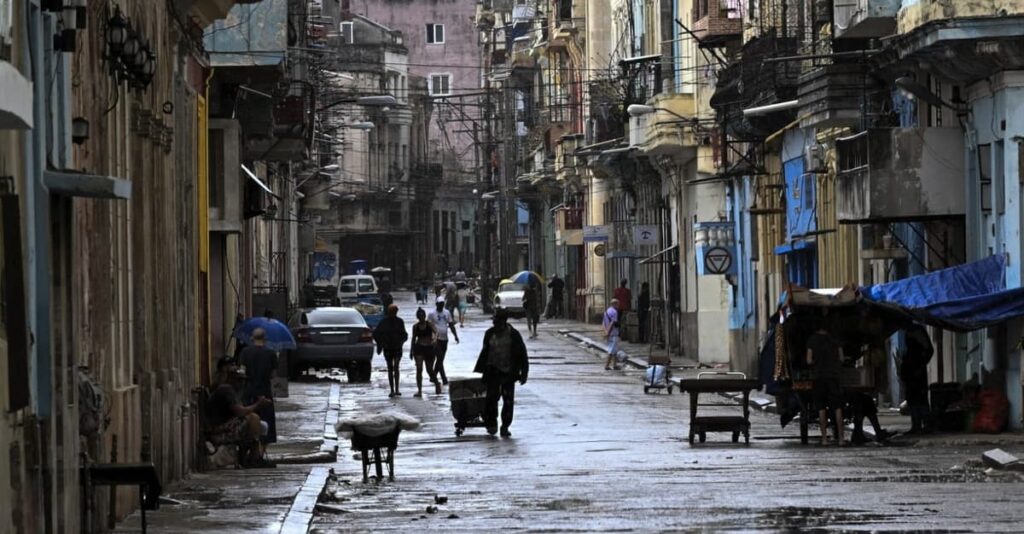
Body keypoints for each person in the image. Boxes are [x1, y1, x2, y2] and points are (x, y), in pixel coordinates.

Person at [208, 357, 274, 467]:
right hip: (219, 430)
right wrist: (258, 404)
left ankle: (251, 455)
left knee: (258, 422)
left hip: (224, 424)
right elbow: (240, 412)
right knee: (253, 418)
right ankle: (253, 458)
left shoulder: (231, 390)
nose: (242, 383)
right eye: (240, 380)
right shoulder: (226, 389)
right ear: (232, 379)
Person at [474, 308, 529, 437]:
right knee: (491, 399)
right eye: (494, 322)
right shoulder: (489, 334)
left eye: (498, 322)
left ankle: (505, 426)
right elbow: (485, 352)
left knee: (508, 401)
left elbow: (522, 354)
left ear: (504, 321)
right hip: (493, 371)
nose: (495, 325)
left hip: (508, 372)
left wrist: (524, 373)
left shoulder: (513, 335)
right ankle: (492, 422)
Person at [806, 317, 845, 446]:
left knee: (821, 408)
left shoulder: (812, 340)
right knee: (838, 407)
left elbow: (808, 360)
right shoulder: (835, 339)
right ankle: (841, 439)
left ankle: (824, 439)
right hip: (834, 377)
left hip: (819, 377)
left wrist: (816, 361)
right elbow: (841, 358)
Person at [238, 328, 278, 444]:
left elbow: (242, 371)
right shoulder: (271, 353)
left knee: (250, 419)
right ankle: (262, 447)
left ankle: (251, 444)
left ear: (252, 338)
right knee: (266, 419)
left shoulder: (245, 352)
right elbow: (273, 375)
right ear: (265, 339)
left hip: (249, 390)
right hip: (264, 390)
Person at [901, 324, 933, 434]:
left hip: (917, 371)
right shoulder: (909, 331)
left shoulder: (917, 331)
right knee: (912, 398)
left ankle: (926, 425)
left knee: (920, 398)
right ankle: (916, 425)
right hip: (910, 370)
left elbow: (929, 350)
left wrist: (921, 365)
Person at [373, 304, 408, 398]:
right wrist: (381, 344)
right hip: (388, 348)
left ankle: (397, 389)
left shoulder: (399, 322)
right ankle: (392, 389)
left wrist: (401, 342)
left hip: (397, 347)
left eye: (395, 312)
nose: (393, 313)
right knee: (390, 368)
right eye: (392, 312)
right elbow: (376, 334)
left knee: (396, 367)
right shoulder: (383, 322)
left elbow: (404, 335)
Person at [428, 298, 460, 389]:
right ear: (436, 304)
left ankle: (433, 375)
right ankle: (444, 379)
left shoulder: (447, 313)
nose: (441, 305)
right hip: (436, 339)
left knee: (440, 359)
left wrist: (455, 335)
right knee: (440, 358)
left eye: (442, 303)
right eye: (439, 304)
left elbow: (451, 325)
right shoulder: (432, 314)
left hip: (445, 339)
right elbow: (428, 326)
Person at [410, 307, 439, 397]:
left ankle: (437, 383)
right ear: (418, 317)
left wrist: (434, 339)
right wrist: (411, 351)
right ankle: (419, 390)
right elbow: (413, 339)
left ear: (425, 316)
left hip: (429, 348)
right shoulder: (415, 327)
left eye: (422, 316)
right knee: (419, 369)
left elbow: (436, 332)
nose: (421, 317)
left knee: (429, 369)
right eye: (420, 316)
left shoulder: (429, 324)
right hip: (419, 348)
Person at [603, 299, 622, 370]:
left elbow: (603, 323)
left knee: (614, 350)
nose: (618, 306)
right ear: (615, 304)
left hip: (608, 332)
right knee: (611, 350)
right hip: (613, 333)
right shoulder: (614, 312)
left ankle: (614, 365)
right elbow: (612, 323)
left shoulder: (606, 311)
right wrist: (608, 332)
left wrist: (605, 331)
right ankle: (607, 365)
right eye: (618, 304)